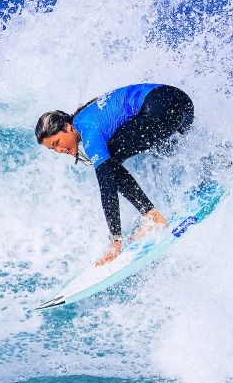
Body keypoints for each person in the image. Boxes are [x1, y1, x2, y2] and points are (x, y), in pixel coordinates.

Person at [36, 84, 194, 265]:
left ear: (67, 127)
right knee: (121, 156)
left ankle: (152, 216)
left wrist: (116, 241)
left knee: (110, 162)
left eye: (57, 142)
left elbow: (107, 187)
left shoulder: (88, 130)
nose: (59, 150)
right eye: (52, 149)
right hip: (182, 104)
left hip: (164, 109)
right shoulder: (87, 117)